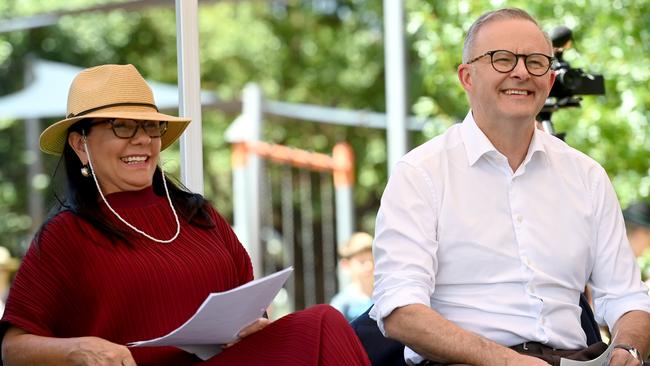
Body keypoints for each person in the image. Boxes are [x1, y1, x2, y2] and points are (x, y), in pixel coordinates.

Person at [0, 64, 371, 366]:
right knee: (324, 323)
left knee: (323, 325)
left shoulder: (199, 215)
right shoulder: (66, 236)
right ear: (80, 144)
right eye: (122, 126)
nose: (142, 139)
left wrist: (257, 327)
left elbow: (253, 307)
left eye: (150, 126)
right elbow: (11, 349)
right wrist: (77, 350)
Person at [370, 8, 650, 366]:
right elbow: (399, 310)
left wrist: (629, 349)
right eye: (501, 59)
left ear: (549, 81)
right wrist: (505, 361)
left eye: (535, 62)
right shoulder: (420, 174)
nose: (520, 71)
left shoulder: (587, 176)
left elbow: (628, 298)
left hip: (576, 359)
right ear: (466, 77)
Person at [330, 232, 374, 321]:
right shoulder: (342, 303)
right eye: (362, 261)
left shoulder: (384, 295)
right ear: (346, 265)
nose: (369, 266)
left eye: (372, 260)